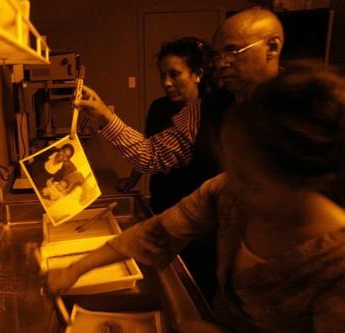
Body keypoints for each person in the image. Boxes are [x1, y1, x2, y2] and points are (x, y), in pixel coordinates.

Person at [45, 64, 345, 333]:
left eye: (249, 178)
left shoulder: (335, 264)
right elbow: (158, 232)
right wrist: (76, 269)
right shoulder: (227, 190)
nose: (233, 183)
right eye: (233, 165)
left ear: (303, 180)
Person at [78, 8, 284, 299]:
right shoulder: (204, 110)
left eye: (233, 51)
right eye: (218, 54)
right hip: (217, 250)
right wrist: (103, 115)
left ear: (272, 47)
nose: (222, 63)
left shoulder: (305, 103)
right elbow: (152, 155)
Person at [116, 37, 213, 214]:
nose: (167, 83)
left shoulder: (209, 112)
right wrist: (133, 179)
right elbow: (149, 147)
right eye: (163, 75)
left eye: (174, 74)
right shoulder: (158, 107)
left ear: (197, 74)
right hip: (162, 198)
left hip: (195, 207)